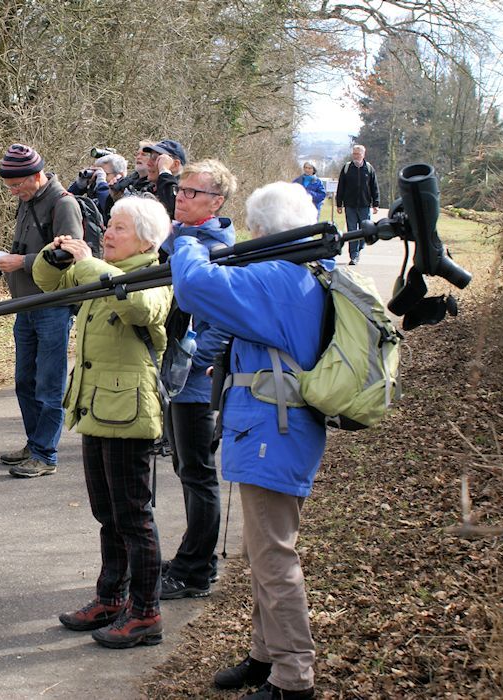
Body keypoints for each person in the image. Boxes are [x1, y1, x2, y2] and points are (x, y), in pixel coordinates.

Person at [170, 181, 327, 699]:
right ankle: (265, 657)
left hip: (271, 434)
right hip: (272, 431)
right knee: (262, 551)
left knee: (275, 558)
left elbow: (194, 287)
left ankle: (293, 678)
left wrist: (190, 239)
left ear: (262, 229)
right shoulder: (299, 276)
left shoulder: (275, 278)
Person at [33, 196, 172, 649]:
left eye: (118, 229)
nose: (107, 234)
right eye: (108, 226)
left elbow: (139, 307)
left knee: (134, 517)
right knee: (107, 514)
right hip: (94, 407)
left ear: (146, 241)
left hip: (129, 412)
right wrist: (54, 256)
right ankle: (111, 599)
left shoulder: (154, 275)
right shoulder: (101, 270)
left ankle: (146, 612)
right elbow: (49, 281)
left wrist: (91, 263)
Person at [157, 159, 236, 599]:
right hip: (179, 375)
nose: (180, 197)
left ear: (216, 202)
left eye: (192, 193)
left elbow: (223, 317)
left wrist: (196, 362)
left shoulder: (214, 245)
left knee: (199, 473)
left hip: (194, 379)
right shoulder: (184, 238)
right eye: (180, 190)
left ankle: (196, 570)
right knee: (186, 468)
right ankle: (195, 557)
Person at [0, 144, 83, 477]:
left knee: (49, 383)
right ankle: (34, 444)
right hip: (25, 305)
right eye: (9, 186)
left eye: (18, 185)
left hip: (52, 306)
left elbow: (73, 252)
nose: (14, 192)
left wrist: (23, 262)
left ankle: (45, 454)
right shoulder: (27, 200)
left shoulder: (63, 203)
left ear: (36, 175)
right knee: (24, 381)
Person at [334, 144, 380, 265]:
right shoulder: (347, 168)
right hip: (350, 205)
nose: (356, 156)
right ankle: (354, 255)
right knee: (352, 230)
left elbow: (374, 187)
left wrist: (376, 203)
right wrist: (339, 204)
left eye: (358, 154)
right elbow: (341, 187)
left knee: (365, 230)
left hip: (365, 205)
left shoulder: (369, 168)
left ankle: (360, 247)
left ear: (363, 155)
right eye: (354, 153)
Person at [68, 152, 128, 222]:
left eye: (104, 174)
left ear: (120, 175)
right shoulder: (94, 190)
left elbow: (108, 207)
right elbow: (66, 203)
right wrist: (78, 186)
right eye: (95, 172)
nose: (97, 177)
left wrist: (101, 182)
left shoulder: (125, 195)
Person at [145, 139, 188, 218]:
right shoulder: (149, 187)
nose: (148, 163)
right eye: (150, 157)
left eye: (156, 158)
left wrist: (164, 170)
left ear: (175, 165)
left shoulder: (186, 192)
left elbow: (173, 206)